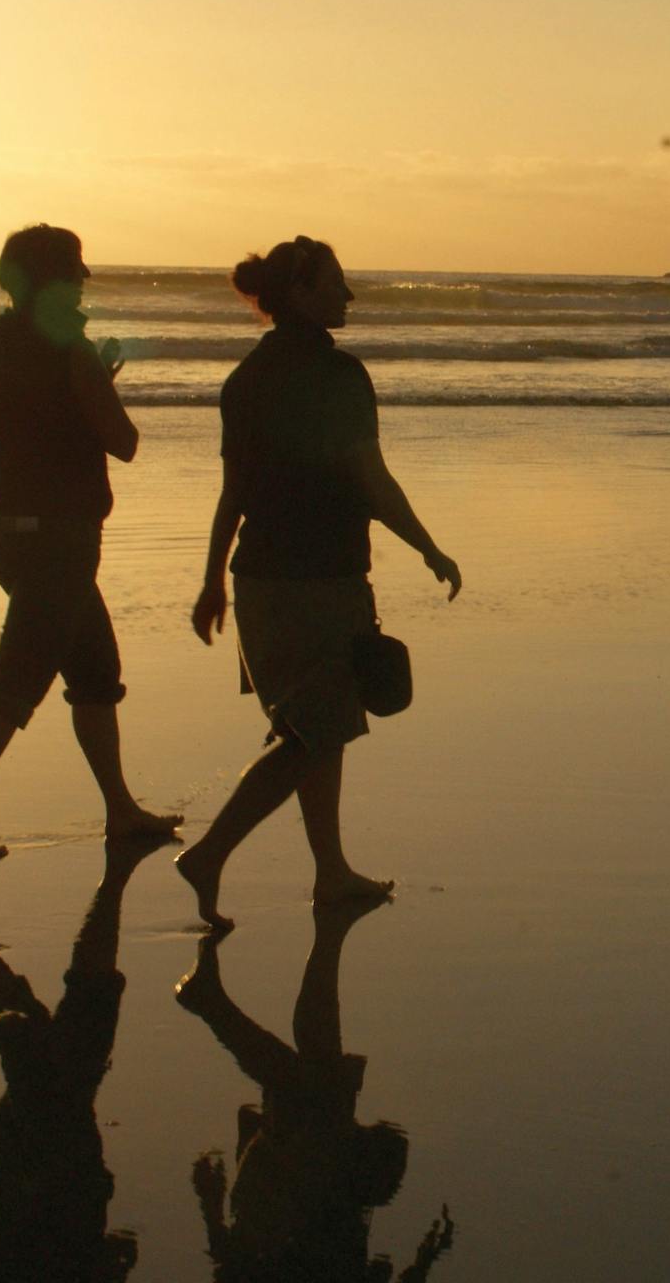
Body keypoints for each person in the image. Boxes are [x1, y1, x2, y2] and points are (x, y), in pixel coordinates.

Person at [178, 236, 460, 931]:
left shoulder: (245, 379)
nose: (349, 294)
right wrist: (429, 546)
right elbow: (371, 480)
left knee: (315, 728)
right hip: (322, 581)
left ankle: (330, 872)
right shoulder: (339, 376)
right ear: (301, 293)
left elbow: (233, 492)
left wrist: (212, 581)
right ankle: (209, 855)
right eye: (336, 282)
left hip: (259, 584)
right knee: (312, 736)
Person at [0, 224, 182, 861]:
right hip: (57, 539)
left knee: (95, 673)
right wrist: (96, 382)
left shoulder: (0, 338)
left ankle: (120, 810)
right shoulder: (71, 349)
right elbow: (124, 441)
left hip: (4, 527)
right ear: (56, 280)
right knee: (14, 686)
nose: (84, 280)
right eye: (75, 269)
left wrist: (77, 391)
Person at [0, 841, 160, 1282]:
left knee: (65, 1061)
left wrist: (116, 1260)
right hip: (38, 1197)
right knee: (62, 1059)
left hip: (61, 1193)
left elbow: (117, 1251)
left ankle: (115, 875)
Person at [175, 908, 456, 1280]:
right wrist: (424, 1261)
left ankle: (220, 998)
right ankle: (325, 936)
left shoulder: (326, 1224)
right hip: (290, 1183)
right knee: (319, 1082)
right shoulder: (342, 1228)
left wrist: (210, 1202)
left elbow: (231, 1260)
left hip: (274, 1197)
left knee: (316, 1089)